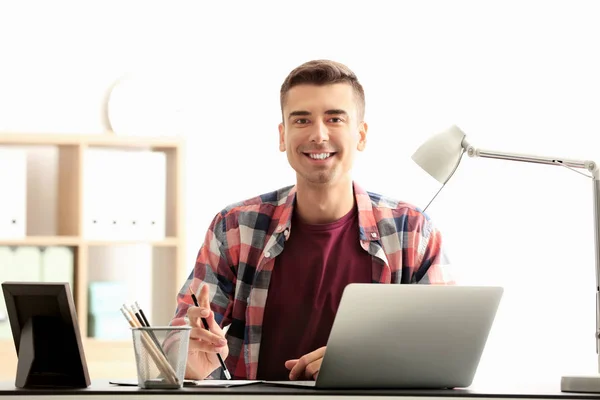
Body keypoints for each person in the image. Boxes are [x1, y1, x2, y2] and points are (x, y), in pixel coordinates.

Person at [169, 59, 455, 382]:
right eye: (302, 120)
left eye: (334, 118)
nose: (318, 135)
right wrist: (187, 359)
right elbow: (175, 347)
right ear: (283, 136)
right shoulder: (234, 229)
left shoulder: (414, 235)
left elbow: (445, 355)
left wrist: (360, 361)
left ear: (360, 135)